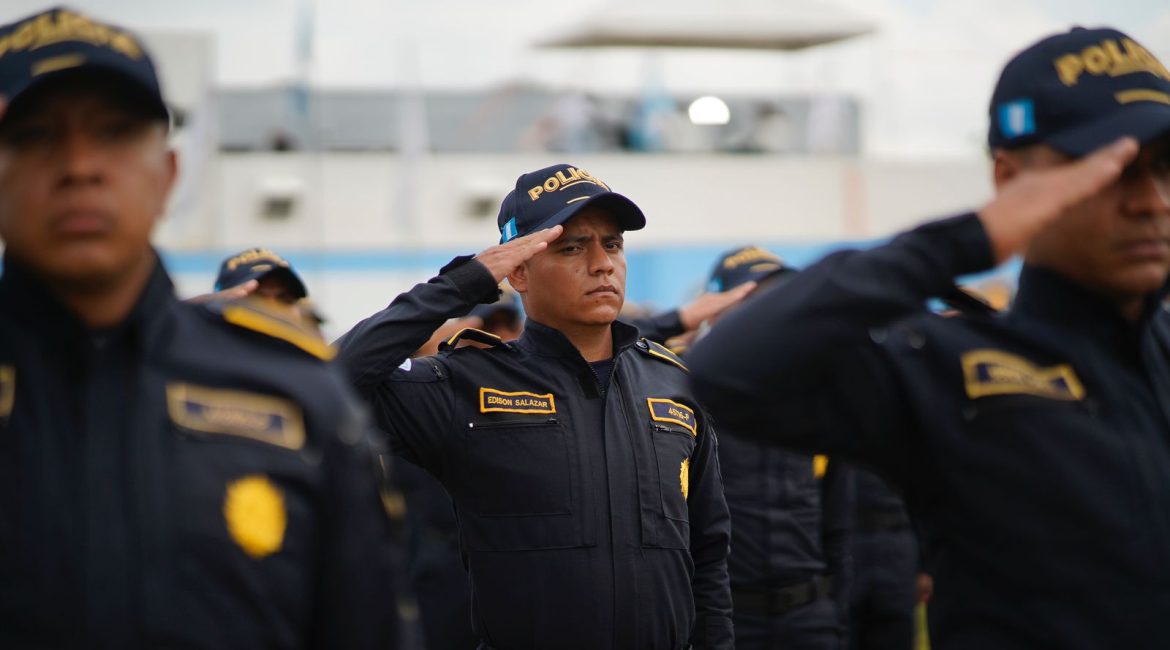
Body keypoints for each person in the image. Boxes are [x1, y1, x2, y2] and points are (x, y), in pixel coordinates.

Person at [688, 26, 1170, 649]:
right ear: (1009, 178)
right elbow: (732, 369)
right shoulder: (953, 365)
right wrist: (971, 238)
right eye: (1109, 170)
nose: (1151, 201)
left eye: (1163, 168)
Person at [0, 8, 396, 648]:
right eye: (35, 133)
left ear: (169, 177)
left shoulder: (294, 396)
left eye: (115, 133)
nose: (79, 165)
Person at [336, 163, 733, 649]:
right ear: (518, 271)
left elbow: (708, 557)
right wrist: (463, 283)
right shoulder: (465, 384)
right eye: (571, 248)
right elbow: (330, 379)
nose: (602, 263)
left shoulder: (672, 384)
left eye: (612, 244)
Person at [700, 247, 855, 650]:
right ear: (714, 310)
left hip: (810, 619)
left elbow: (839, 523)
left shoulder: (815, 398)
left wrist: (833, 613)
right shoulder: (683, 395)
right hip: (728, 620)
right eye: (750, 300)